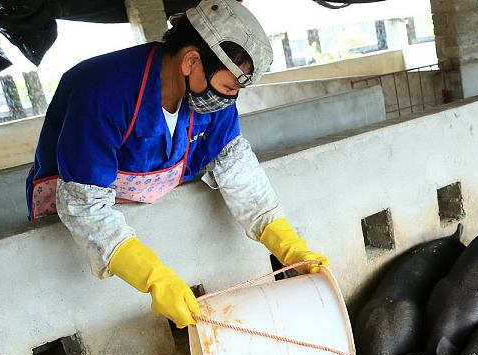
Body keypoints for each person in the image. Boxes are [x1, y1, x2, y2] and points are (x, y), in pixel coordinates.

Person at [26, 0, 326, 328]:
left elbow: (236, 167)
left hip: (148, 214)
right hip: (79, 239)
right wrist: (153, 277)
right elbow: (84, 207)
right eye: (228, 87)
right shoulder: (102, 92)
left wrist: (290, 246)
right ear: (191, 61)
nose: (229, 98)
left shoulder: (211, 102)